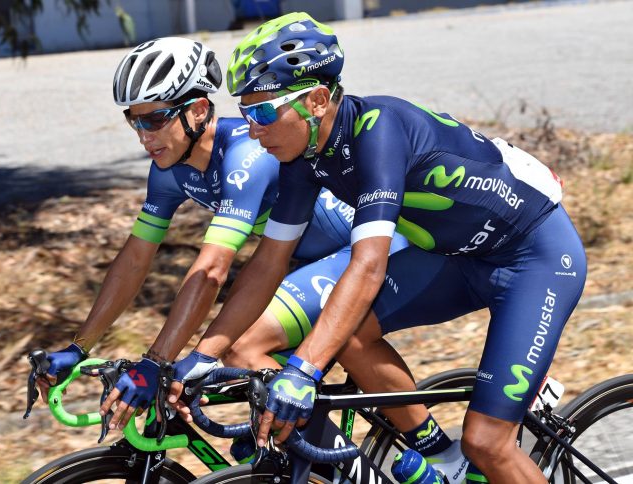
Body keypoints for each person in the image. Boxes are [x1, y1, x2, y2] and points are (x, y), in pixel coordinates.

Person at [168, 13, 587, 484]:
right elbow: (268, 263)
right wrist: (205, 354)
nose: (252, 128)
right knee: (346, 331)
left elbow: (368, 267)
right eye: (245, 113)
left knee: (487, 442)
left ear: (317, 100)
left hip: (535, 257)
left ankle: (478, 445)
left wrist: (304, 370)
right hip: (462, 257)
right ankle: (441, 460)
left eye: (263, 112)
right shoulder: (302, 158)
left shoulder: (379, 131)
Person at [34, 36, 406, 435]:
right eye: (134, 120)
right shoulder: (168, 170)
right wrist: (79, 347)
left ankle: (337, 465)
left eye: (155, 119)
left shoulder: (247, 154)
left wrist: (156, 361)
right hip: (304, 263)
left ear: (196, 111)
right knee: (232, 373)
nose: (144, 136)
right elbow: (134, 260)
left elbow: (212, 269)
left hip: (360, 253)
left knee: (243, 348)